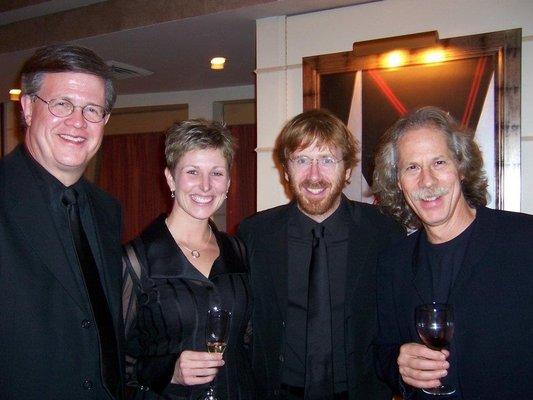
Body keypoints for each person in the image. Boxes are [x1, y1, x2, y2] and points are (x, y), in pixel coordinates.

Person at [237, 109, 404, 399]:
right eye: (302, 160)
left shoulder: (384, 233)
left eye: (327, 160)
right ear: (286, 170)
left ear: (348, 169)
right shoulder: (255, 234)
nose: (314, 176)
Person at [372, 106, 533, 399]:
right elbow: (384, 351)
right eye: (412, 167)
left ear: (460, 166)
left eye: (438, 162)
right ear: (398, 182)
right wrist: (400, 366)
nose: (427, 181)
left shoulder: (524, 240)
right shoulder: (392, 264)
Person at [0, 44, 124, 399]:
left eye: (92, 109)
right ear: (26, 107)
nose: (77, 122)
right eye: (61, 104)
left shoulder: (107, 210)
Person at [122, 120, 255, 399]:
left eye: (216, 173)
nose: (205, 186)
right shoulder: (136, 260)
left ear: (228, 182)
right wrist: (168, 370)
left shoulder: (237, 251)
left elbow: (248, 342)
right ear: (171, 178)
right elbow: (113, 359)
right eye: (192, 172)